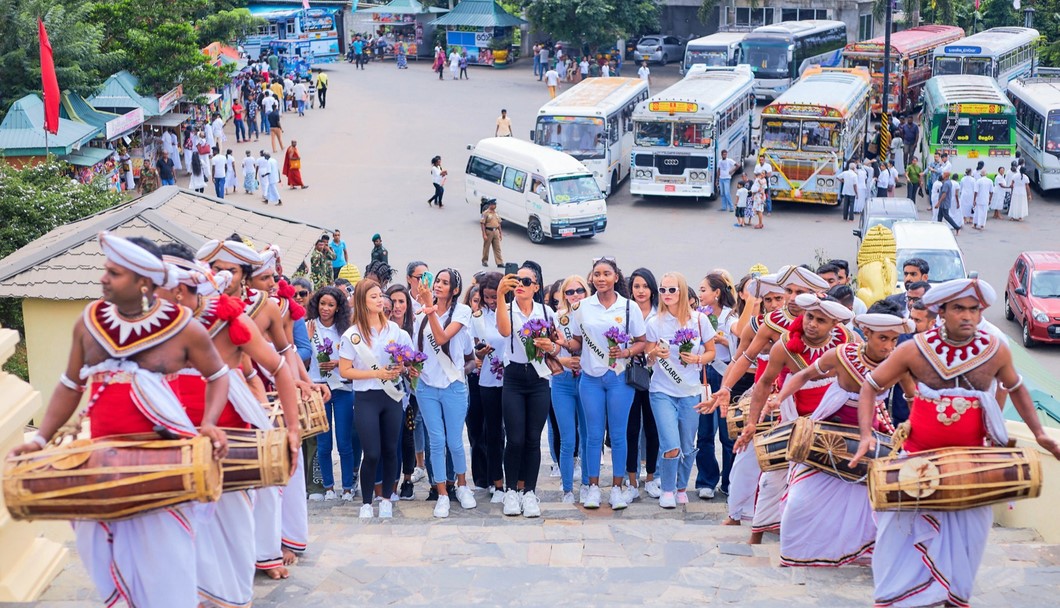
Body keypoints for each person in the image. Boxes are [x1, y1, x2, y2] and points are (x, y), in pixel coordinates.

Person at [7, 232, 231, 608]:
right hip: (101, 464)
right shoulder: (89, 323)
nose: (103, 279)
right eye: (105, 270)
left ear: (143, 282)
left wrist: (209, 422)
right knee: (108, 561)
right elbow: (69, 384)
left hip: (161, 466)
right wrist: (39, 439)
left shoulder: (184, 328)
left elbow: (218, 375)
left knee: (167, 573)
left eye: (114, 273)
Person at [850, 278, 1060, 607]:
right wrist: (865, 434)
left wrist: (1041, 433)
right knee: (897, 539)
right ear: (940, 312)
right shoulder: (914, 349)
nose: (968, 316)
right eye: (959, 309)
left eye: (974, 310)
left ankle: (950, 599)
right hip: (917, 463)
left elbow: (1016, 387)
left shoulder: (995, 350)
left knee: (968, 545)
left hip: (973, 466)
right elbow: (870, 386)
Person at [776, 310, 912, 567]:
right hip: (827, 434)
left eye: (894, 340)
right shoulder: (842, 355)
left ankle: (860, 552)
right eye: (883, 338)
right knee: (799, 500)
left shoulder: (898, 364)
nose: (889, 346)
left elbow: (912, 399)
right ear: (867, 334)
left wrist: (911, 426)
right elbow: (804, 375)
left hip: (869, 439)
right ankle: (796, 555)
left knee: (864, 505)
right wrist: (778, 399)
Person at [730, 294, 853, 543]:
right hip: (792, 416)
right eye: (809, 317)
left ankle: (826, 536)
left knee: (834, 480)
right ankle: (757, 534)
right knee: (773, 476)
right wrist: (752, 423)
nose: (812, 324)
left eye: (821, 320)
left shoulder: (847, 342)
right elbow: (764, 383)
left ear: (834, 325)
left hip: (833, 418)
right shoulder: (784, 346)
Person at [566, 257, 648, 509]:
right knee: (592, 435)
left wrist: (625, 352)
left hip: (618, 379)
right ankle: (592, 488)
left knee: (619, 434)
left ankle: (616, 487)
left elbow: (641, 341)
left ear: (615, 277)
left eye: (606, 274)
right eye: (597, 274)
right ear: (591, 278)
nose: (601, 278)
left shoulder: (628, 307)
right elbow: (577, 343)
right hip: (590, 379)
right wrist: (559, 343)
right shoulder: (582, 307)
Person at [338, 280, 415, 519]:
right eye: (373, 297)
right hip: (366, 397)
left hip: (391, 397)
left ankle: (386, 499)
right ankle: (367, 501)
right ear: (362, 301)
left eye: (380, 296)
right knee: (371, 452)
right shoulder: (352, 335)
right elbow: (345, 371)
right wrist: (376, 373)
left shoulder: (396, 331)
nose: (380, 300)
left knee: (391, 449)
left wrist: (404, 367)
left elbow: (409, 362)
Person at [644, 272, 716, 508]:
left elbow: (711, 352)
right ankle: (667, 488)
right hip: (662, 391)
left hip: (689, 391)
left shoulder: (699, 320)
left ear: (682, 291)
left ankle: (682, 486)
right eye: (663, 290)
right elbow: (647, 358)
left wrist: (697, 359)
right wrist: (655, 354)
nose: (666, 294)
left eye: (671, 290)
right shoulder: (655, 322)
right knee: (671, 443)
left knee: (687, 444)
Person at [412, 268, 477, 517]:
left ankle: (461, 485)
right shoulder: (420, 313)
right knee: (436, 441)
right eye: (437, 281)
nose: (438, 285)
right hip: (427, 386)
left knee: (454, 441)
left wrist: (430, 308)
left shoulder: (462, 312)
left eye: (444, 282)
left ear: (455, 289)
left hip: (453, 384)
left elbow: (441, 338)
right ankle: (441, 492)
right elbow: (417, 348)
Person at [494, 262, 554, 517]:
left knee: (532, 438)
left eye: (527, 282)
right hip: (515, 377)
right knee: (515, 438)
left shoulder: (546, 311)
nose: (521, 286)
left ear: (536, 287)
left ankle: (528, 490)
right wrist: (499, 294)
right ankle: (511, 491)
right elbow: (504, 331)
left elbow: (556, 345)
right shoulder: (507, 308)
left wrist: (550, 346)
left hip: (539, 378)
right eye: (517, 281)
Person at [695, 272, 738, 499]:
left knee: (727, 433)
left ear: (717, 293)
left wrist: (724, 340)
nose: (700, 294)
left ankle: (730, 481)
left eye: (703, 290)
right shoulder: (699, 316)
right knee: (704, 431)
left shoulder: (731, 318)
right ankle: (706, 480)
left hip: (726, 375)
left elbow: (741, 345)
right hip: (704, 374)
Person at [548, 274, 590, 503]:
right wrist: (563, 361)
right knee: (567, 439)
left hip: (587, 380)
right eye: (569, 292)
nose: (575, 295)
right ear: (563, 295)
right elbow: (547, 352)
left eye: (579, 290)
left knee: (587, 436)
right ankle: (567, 489)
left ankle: (586, 484)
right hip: (563, 381)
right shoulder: (557, 318)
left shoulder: (593, 316)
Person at [624, 269, 659, 500]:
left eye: (645, 286)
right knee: (631, 427)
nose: (641, 291)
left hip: (657, 377)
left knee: (653, 427)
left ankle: (652, 476)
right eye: (637, 286)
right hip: (630, 375)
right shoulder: (624, 312)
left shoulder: (660, 314)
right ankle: (631, 478)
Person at [480, 198, 503, 267]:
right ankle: (484, 261)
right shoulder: (485, 213)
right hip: (488, 231)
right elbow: (482, 223)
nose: (495, 206)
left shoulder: (496, 213)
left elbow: (499, 223)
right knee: (486, 247)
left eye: (495, 204)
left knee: (497, 248)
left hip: (495, 231)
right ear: (490, 205)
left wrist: (500, 233)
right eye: (494, 204)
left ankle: (499, 262)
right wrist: (484, 234)